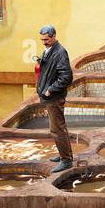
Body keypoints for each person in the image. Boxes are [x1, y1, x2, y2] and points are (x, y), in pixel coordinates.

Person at [34, 25, 74, 173]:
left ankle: (66, 160)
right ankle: (63, 154)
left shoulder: (60, 52)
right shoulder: (49, 50)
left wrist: (50, 90)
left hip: (54, 97)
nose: (43, 42)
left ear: (53, 36)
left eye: (46, 39)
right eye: (42, 40)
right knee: (58, 128)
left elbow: (66, 77)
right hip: (50, 96)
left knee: (57, 129)